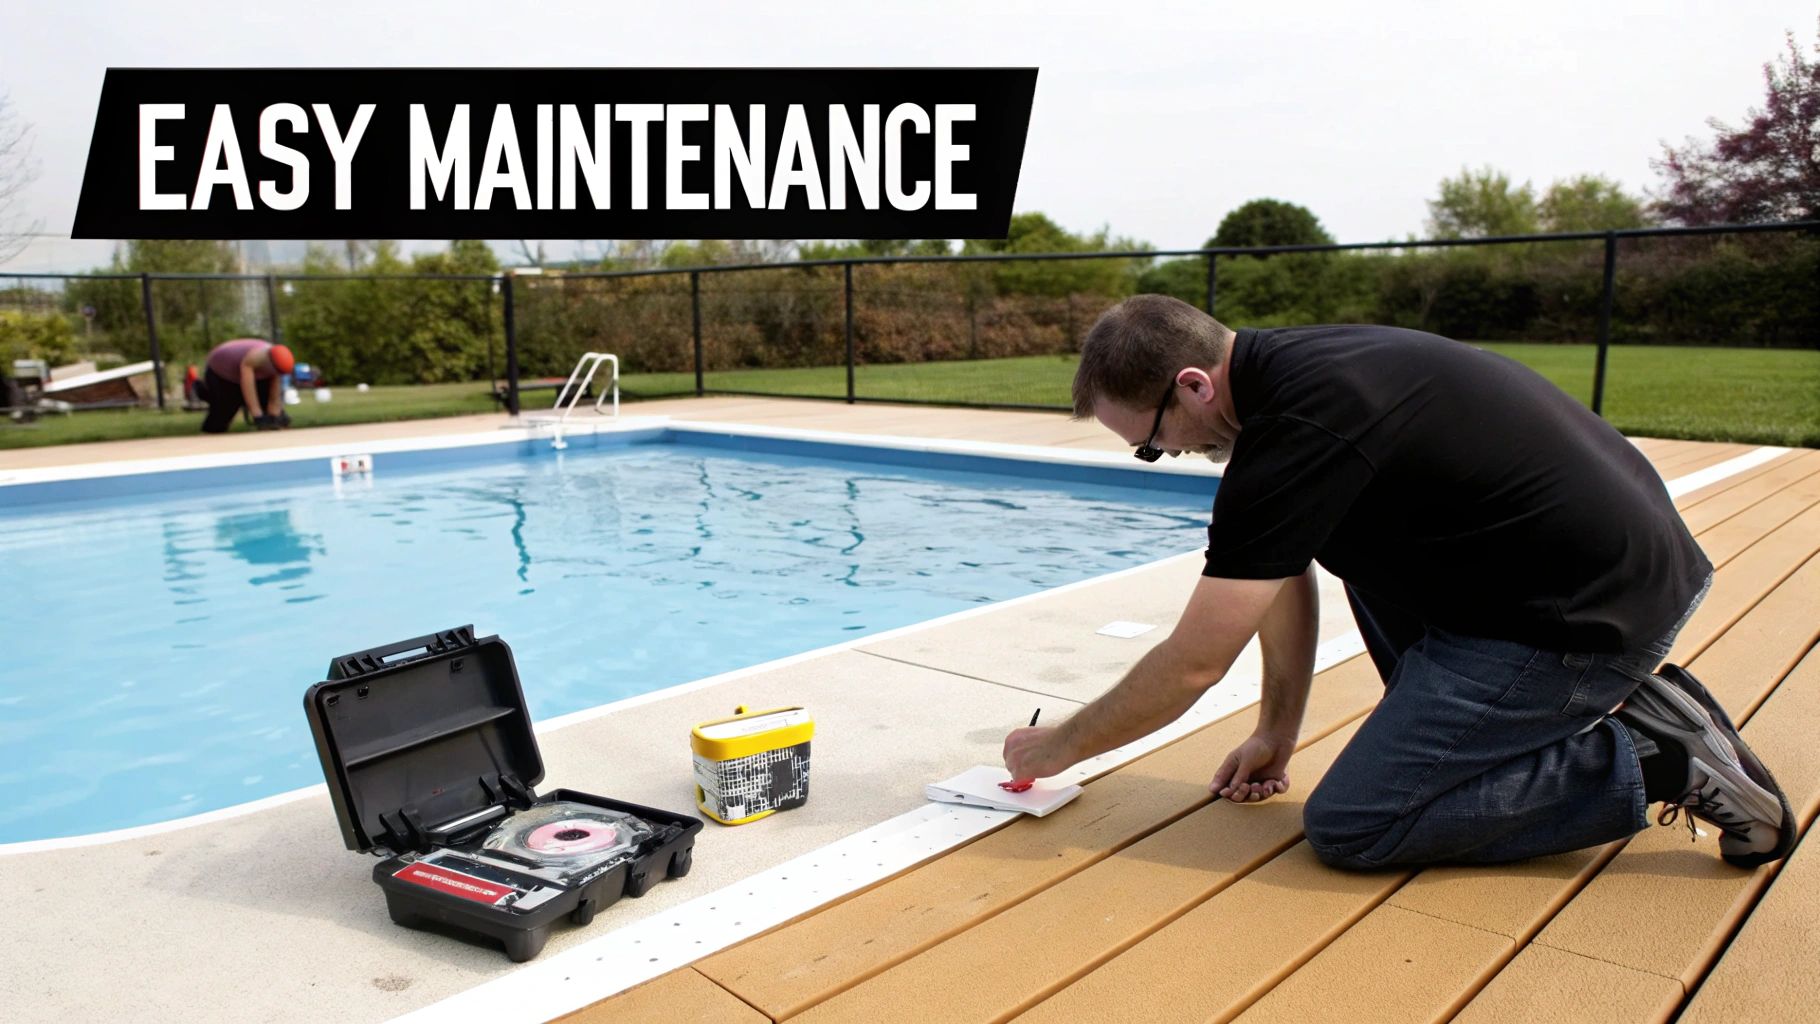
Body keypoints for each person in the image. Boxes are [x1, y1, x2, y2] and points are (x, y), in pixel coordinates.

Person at [1003, 295, 1795, 870]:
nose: (1166, 455)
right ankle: (1601, 720)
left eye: (1153, 442)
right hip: (1600, 570)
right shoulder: (1300, 372)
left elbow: (1194, 665)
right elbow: (1276, 572)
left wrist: (1059, 745)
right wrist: (1277, 732)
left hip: (1586, 617)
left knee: (1357, 824)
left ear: (1193, 385)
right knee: (1352, 551)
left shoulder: (1299, 429)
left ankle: (1655, 757)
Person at [194, 338, 294, 434]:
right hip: (221, 374)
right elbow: (247, 387)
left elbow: (274, 393)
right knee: (221, 416)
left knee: (279, 420)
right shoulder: (254, 358)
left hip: (254, 371)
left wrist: (274, 415)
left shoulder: (276, 363)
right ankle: (203, 392)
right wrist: (257, 415)